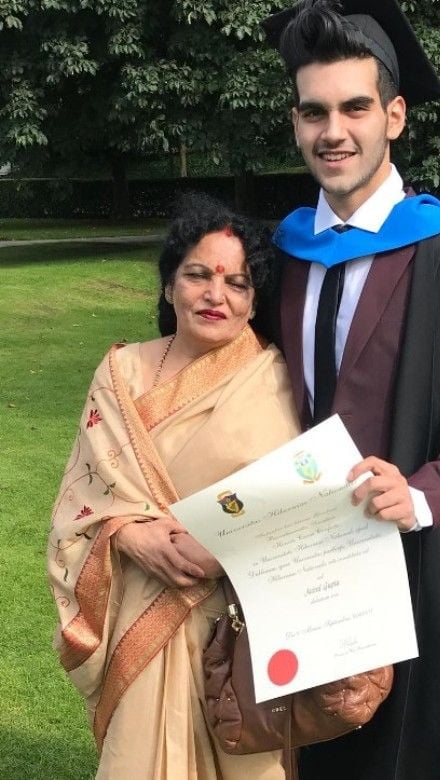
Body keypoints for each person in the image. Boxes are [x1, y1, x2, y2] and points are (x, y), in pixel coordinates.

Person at [259, 2, 440, 778]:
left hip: (425, 561)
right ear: (295, 121)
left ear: (395, 114)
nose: (334, 132)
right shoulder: (276, 257)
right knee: (322, 751)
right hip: (304, 559)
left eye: (355, 107)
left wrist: (418, 494)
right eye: (314, 111)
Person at [47, 193, 300, 779]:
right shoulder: (120, 372)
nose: (217, 296)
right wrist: (126, 534)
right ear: (168, 286)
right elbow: (80, 501)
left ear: (255, 298)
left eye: (238, 283)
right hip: (137, 609)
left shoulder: (277, 380)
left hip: (233, 625)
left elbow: (295, 505)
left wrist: (219, 549)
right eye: (198, 275)